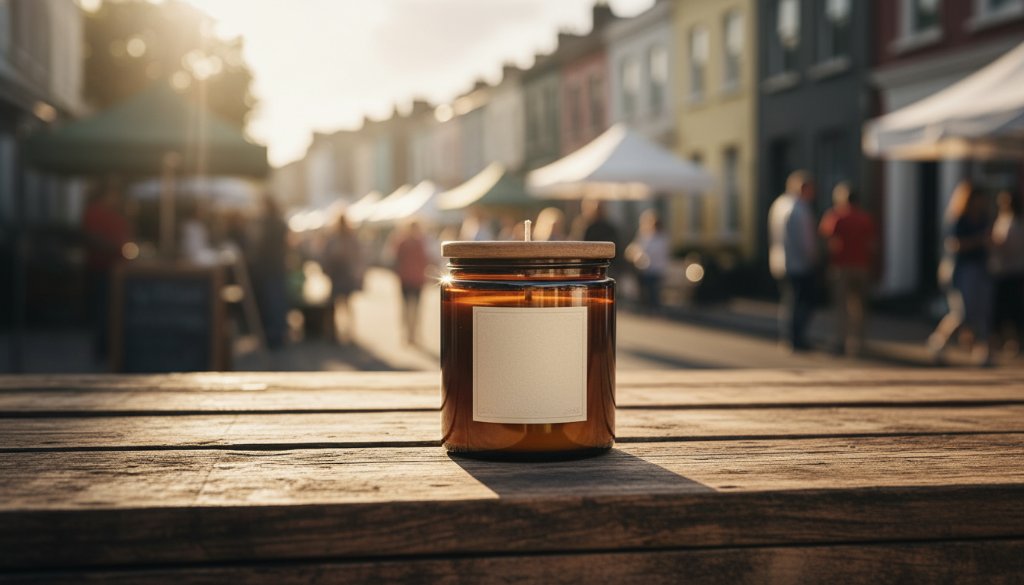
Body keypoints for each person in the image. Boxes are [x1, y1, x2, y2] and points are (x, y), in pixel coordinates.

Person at [928, 182, 993, 366]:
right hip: (961, 269)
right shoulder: (959, 219)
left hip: (981, 268)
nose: (980, 203)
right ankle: (938, 343)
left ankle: (982, 352)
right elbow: (954, 244)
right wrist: (980, 240)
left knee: (982, 311)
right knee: (961, 313)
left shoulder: (984, 218)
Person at [818, 182, 876, 356]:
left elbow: (826, 239)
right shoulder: (866, 218)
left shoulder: (836, 216)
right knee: (860, 307)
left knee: (841, 307)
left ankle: (840, 341)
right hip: (862, 266)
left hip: (841, 267)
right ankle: (860, 343)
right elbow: (872, 244)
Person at [768, 170, 819, 351]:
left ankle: (789, 336)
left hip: (779, 261)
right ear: (803, 188)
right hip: (798, 263)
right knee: (801, 302)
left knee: (789, 301)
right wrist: (813, 257)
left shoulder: (779, 204)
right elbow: (805, 240)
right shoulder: (799, 208)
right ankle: (797, 337)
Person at [82, 185, 131, 362]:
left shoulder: (117, 213)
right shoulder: (95, 212)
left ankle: (112, 348)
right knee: (104, 310)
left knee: (113, 309)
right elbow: (91, 237)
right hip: (102, 269)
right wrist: (117, 249)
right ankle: (104, 350)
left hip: (118, 270)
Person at [252, 194, 290, 350]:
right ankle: (278, 334)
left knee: (273, 303)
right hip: (277, 267)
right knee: (277, 302)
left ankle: (274, 336)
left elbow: (260, 245)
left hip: (269, 268)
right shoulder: (280, 222)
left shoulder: (268, 223)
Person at [989, 189, 1024, 355]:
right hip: (1002, 271)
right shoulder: (1002, 220)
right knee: (1003, 309)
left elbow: (1010, 246)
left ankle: (1013, 341)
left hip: (1013, 271)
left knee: (1012, 309)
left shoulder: (1016, 222)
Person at [323, 213, 364, 344]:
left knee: (341, 304)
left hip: (342, 275)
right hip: (341, 275)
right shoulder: (345, 238)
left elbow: (326, 256)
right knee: (342, 304)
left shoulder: (338, 239)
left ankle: (344, 332)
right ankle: (343, 332)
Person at [393, 220, 431, 345]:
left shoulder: (402, 242)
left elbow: (395, 259)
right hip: (416, 278)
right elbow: (426, 260)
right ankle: (413, 333)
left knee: (407, 307)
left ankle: (409, 333)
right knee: (415, 307)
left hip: (407, 278)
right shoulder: (420, 243)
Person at [625, 210, 670, 312]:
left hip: (655, 270)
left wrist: (640, 254)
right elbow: (635, 248)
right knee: (646, 294)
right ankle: (649, 311)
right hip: (645, 270)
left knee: (653, 294)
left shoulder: (661, 237)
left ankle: (653, 312)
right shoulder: (644, 235)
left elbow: (652, 252)